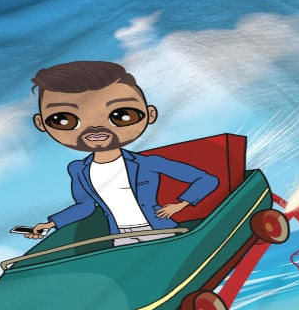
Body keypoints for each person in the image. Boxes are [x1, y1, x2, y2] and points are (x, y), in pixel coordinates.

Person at [27, 61, 218, 244]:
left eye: (122, 115)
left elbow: (207, 180)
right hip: (119, 235)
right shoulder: (78, 169)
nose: (95, 128)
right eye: (63, 119)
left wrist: (181, 204)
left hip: (158, 229)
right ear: (41, 123)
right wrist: (50, 224)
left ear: (150, 114)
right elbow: (85, 206)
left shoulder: (147, 163)